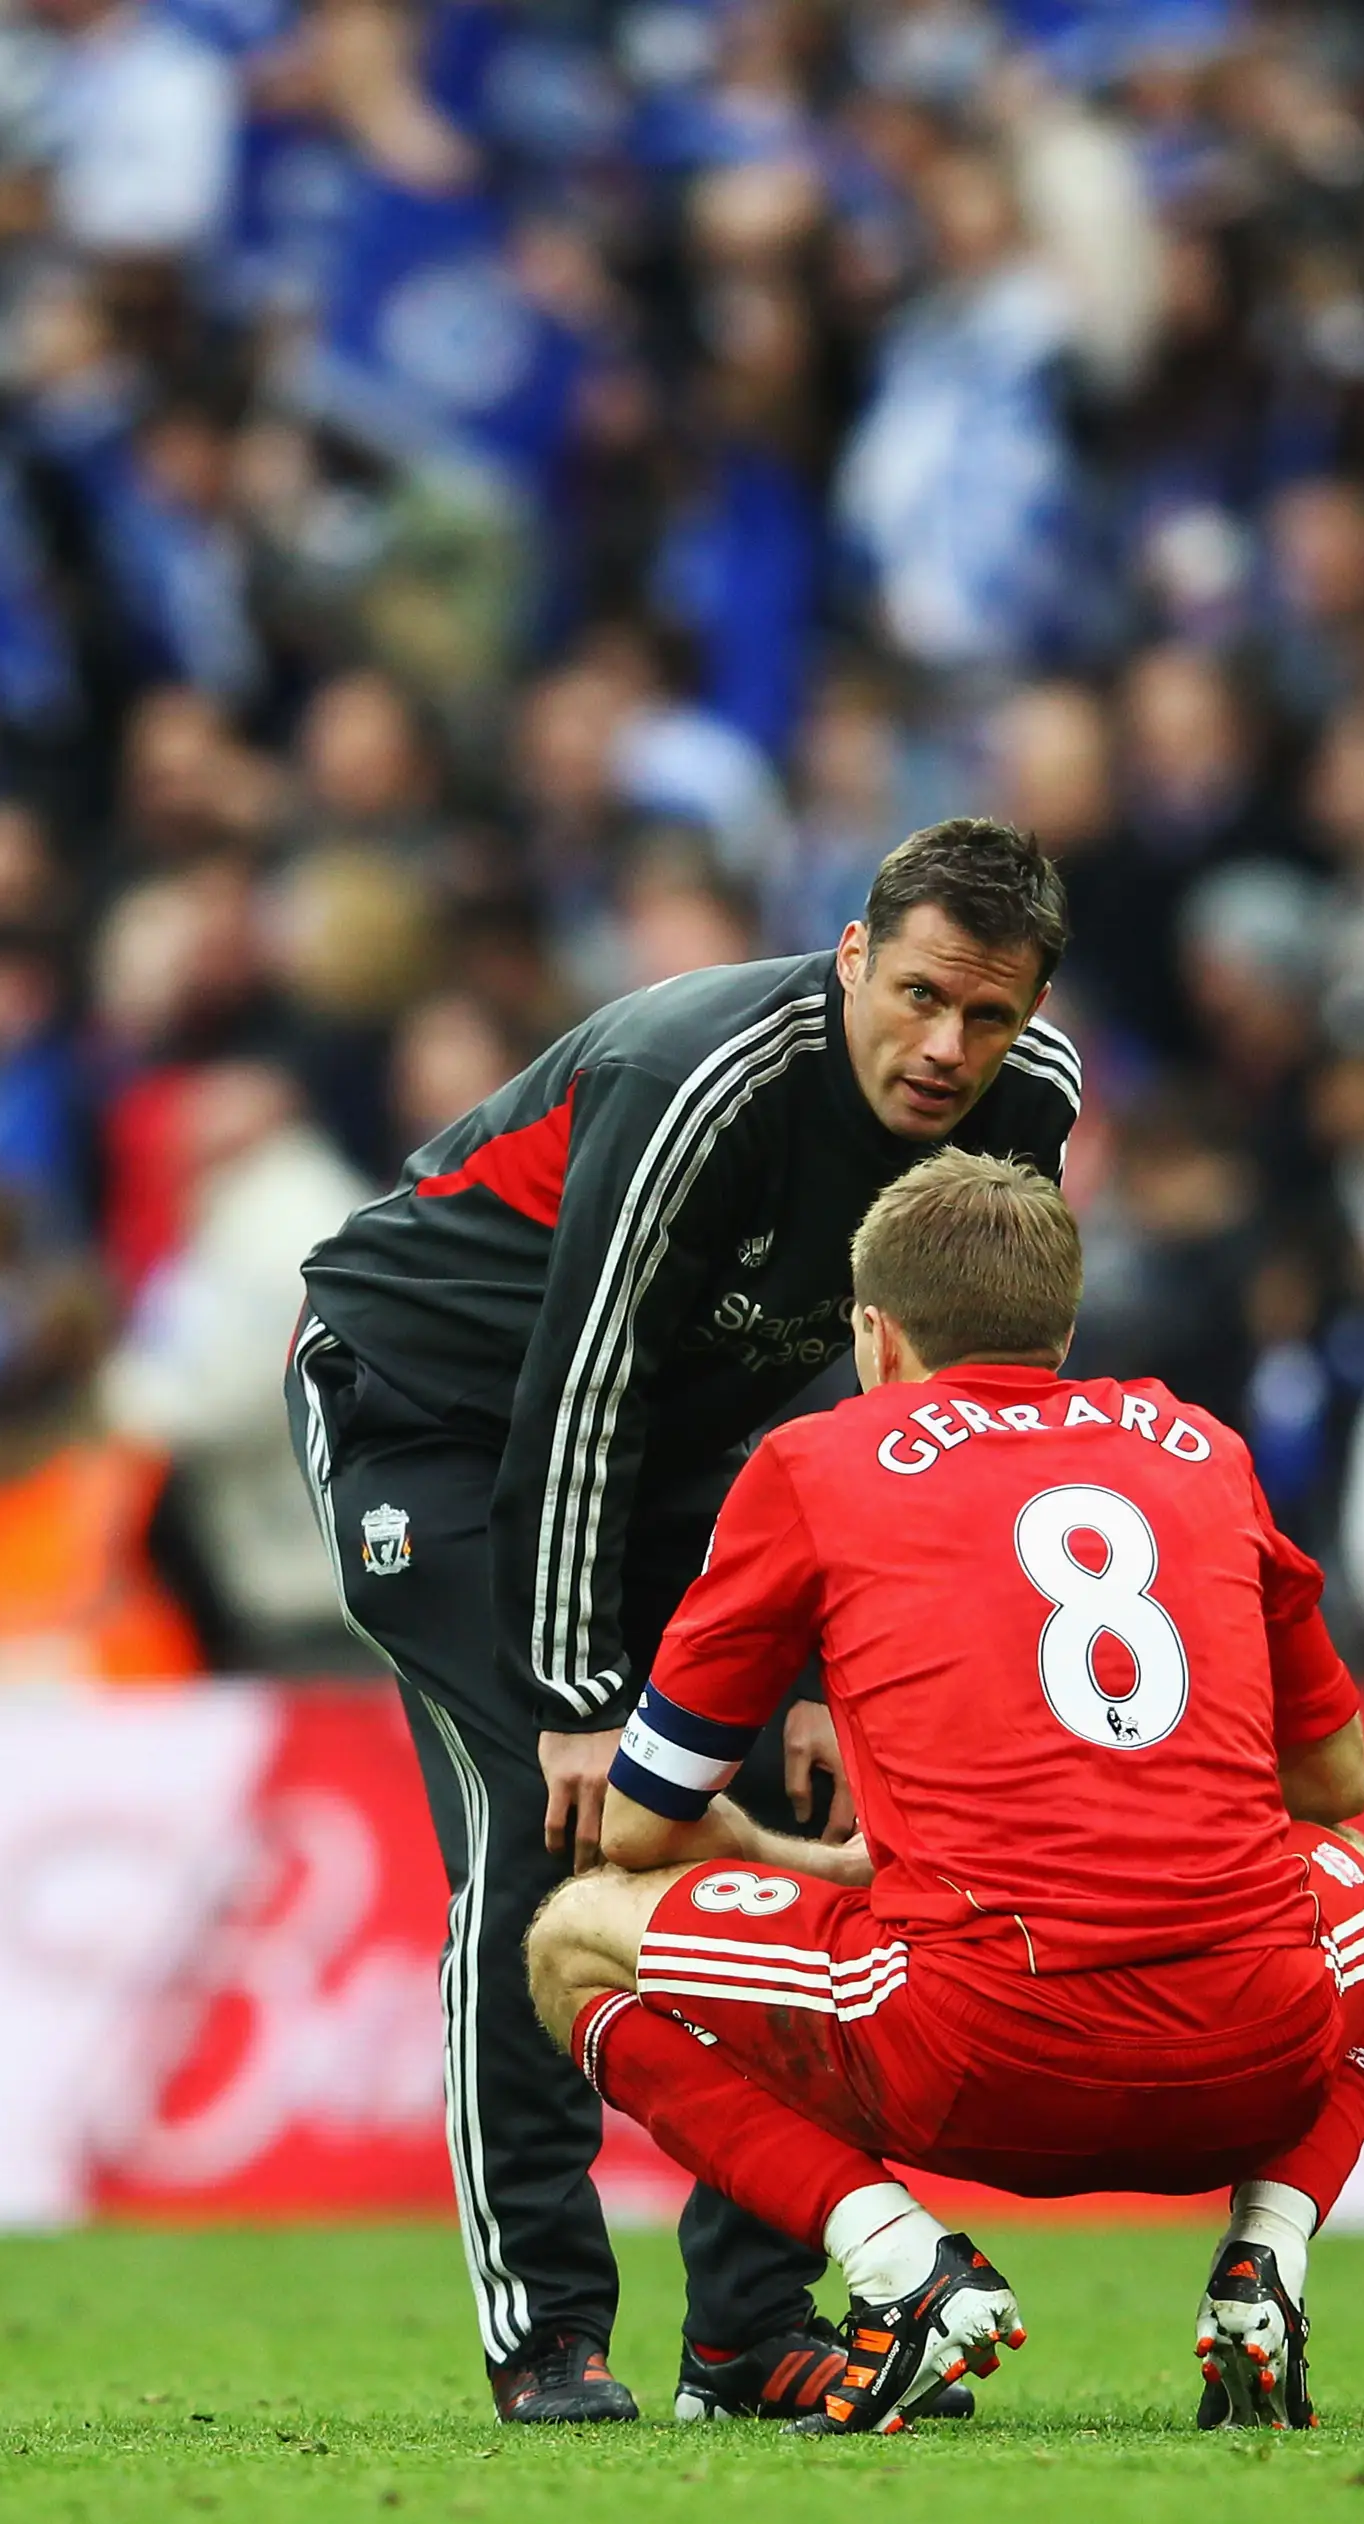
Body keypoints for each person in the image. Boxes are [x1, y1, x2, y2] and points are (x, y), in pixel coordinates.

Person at [288, 818, 1083, 2423]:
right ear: (851, 956)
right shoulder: (695, 1077)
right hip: (429, 1415)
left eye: (988, 1017)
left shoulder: (1031, 1107)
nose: (947, 1050)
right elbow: (577, 1393)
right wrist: (582, 1689)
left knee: (791, 1816)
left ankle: (746, 2334)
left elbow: (918, 1391)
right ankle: (549, 2331)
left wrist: (825, 1669)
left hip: (689, 1454)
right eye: (919, 994)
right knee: (550, 1815)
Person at [523, 1153, 1364, 2432]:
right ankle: (1266, 2258)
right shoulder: (1201, 1446)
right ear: (1060, 1324)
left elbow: (640, 1825)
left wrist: (790, 1852)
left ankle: (898, 2259)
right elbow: (1339, 1782)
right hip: (1249, 2056)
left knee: (571, 1938)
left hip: (977, 2049)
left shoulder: (819, 1460)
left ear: (876, 1333)